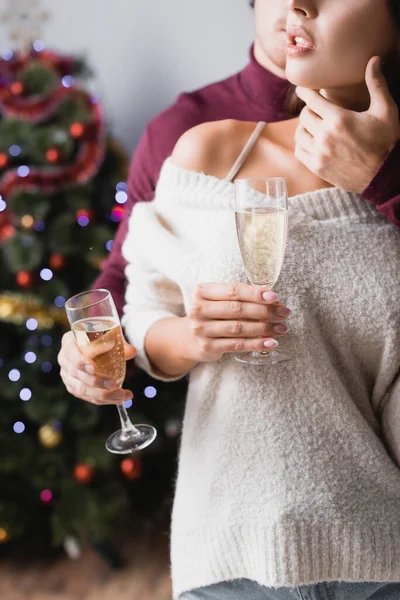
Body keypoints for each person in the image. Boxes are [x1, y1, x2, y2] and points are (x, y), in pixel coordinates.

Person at [120, 0, 400, 599]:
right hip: (231, 556)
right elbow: (140, 310)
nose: (299, 4)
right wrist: (192, 338)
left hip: (386, 557)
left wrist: (386, 182)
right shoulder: (211, 150)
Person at [57, 0, 400, 405]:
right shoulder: (188, 130)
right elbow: (134, 283)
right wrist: (85, 352)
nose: (295, 5)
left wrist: (383, 179)